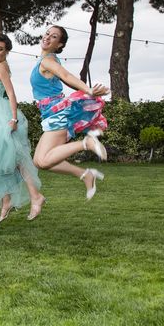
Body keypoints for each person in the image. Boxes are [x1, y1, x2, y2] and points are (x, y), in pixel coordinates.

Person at [0, 0, 45, 223]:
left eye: (0, 49)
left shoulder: (2, 68)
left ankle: (36, 196)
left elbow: (12, 94)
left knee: (15, 157)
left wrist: (13, 119)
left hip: (2, 115)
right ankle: (6, 201)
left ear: (6, 52)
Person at [30, 25, 109, 200]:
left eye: (54, 37)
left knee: (43, 161)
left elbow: (66, 76)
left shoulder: (48, 60)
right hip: (51, 113)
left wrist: (88, 89)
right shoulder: (45, 60)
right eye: (47, 33)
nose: (48, 37)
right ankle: (85, 174)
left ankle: (86, 144)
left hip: (56, 114)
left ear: (59, 45)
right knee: (38, 161)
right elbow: (65, 78)